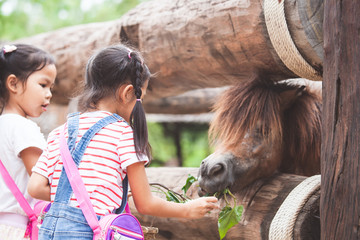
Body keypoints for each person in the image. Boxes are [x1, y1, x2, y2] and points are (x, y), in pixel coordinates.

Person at [28, 44, 219, 239]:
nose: (140, 104)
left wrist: (86, 196)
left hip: (50, 231)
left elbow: (35, 187)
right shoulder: (122, 133)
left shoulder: (60, 132)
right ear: (127, 93)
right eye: (140, 97)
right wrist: (187, 210)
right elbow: (145, 203)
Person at [0, 44, 56, 239]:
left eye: (51, 87)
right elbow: (43, 182)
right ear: (13, 84)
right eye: (43, 85)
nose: (49, 93)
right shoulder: (23, 127)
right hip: (17, 230)